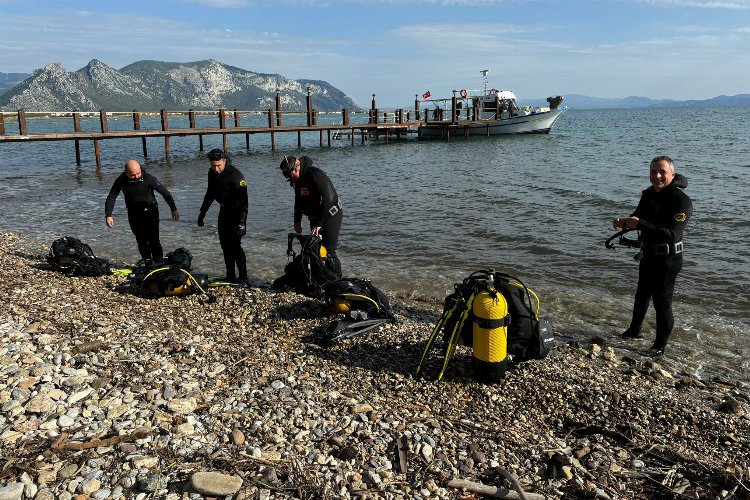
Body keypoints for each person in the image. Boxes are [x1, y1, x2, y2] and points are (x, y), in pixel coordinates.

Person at [613, 155, 692, 357]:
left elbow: (672, 235)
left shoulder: (681, 201)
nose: (657, 176)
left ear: (672, 174)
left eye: (662, 172)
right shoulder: (649, 194)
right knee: (641, 295)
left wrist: (638, 224)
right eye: (653, 172)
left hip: (668, 259)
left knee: (662, 302)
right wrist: (623, 222)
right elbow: (638, 216)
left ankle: (659, 346)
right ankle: (633, 331)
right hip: (648, 254)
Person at [105, 159, 179, 265]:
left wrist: (173, 209)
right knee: (141, 240)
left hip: (150, 211)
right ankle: (147, 261)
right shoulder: (121, 180)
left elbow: (165, 193)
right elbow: (112, 196)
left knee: (154, 239)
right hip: (134, 213)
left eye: (138, 173)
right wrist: (108, 215)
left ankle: (158, 262)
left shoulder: (148, 178)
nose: (137, 176)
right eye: (133, 175)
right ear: (126, 172)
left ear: (140, 168)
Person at [279, 155, 343, 276]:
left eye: (287, 174)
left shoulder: (315, 175)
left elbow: (327, 200)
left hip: (331, 214)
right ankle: (323, 277)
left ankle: (338, 279)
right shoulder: (297, 181)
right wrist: (297, 220)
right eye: (284, 175)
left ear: (296, 169)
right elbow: (298, 200)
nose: (287, 178)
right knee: (316, 249)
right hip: (315, 217)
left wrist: (319, 223)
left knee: (329, 251)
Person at [197, 149, 249, 285]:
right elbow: (210, 193)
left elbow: (245, 203)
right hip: (224, 211)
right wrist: (202, 213)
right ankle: (230, 275)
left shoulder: (236, 176)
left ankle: (244, 278)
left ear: (224, 161)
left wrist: (242, 223)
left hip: (237, 213)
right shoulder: (211, 173)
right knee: (225, 245)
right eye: (213, 165)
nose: (216, 169)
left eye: (218, 165)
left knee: (236, 246)